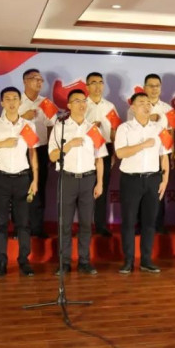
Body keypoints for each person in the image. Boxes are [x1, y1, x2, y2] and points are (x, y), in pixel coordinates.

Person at [0, 87, 38, 278]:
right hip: (2, 179)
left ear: (20, 102)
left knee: (23, 223)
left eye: (15, 98)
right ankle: (1, 262)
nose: (11, 102)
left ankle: (24, 261)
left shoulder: (28, 125)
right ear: (2, 103)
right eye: (8, 99)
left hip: (23, 178)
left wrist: (35, 179)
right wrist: (2, 143)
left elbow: (33, 152)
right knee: (1, 223)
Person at [49, 89, 106, 275]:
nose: (82, 104)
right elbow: (52, 156)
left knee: (85, 223)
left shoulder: (93, 129)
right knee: (64, 223)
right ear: (69, 105)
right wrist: (68, 145)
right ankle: (64, 262)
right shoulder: (60, 127)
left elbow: (99, 158)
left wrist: (100, 183)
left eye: (84, 101)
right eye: (77, 101)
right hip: (67, 179)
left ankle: (84, 261)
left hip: (88, 179)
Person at [115, 92, 170, 274]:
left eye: (148, 103)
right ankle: (128, 261)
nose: (146, 106)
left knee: (149, 222)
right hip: (131, 179)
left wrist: (164, 180)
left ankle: (146, 260)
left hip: (153, 179)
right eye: (141, 103)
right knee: (129, 221)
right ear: (132, 107)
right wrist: (142, 145)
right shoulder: (124, 128)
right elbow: (120, 153)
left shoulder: (159, 129)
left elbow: (164, 156)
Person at [127, 73, 175, 234]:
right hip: (139, 154)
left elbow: (171, 132)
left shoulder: (167, 109)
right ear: (144, 87)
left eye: (157, 86)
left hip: (160, 154)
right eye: (151, 85)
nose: (154, 89)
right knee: (139, 192)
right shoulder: (134, 107)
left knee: (158, 190)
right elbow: (130, 129)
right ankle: (140, 225)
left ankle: (158, 225)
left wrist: (172, 152)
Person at [18, 68, 57, 238]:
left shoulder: (46, 103)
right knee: (20, 189)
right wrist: (23, 117)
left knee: (39, 188)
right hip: (19, 150)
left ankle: (37, 227)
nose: (39, 82)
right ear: (25, 81)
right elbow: (6, 125)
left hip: (40, 149)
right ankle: (20, 228)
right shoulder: (15, 100)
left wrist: (50, 150)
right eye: (35, 78)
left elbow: (52, 128)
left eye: (41, 79)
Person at [85, 72, 119, 237]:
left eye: (100, 82)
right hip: (85, 150)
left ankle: (100, 225)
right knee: (84, 190)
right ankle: (84, 226)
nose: (97, 86)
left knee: (102, 188)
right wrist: (90, 127)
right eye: (93, 82)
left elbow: (114, 130)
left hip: (105, 149)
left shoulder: (110, 106)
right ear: (87, 86)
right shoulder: (82, 104)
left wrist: (114, 152)